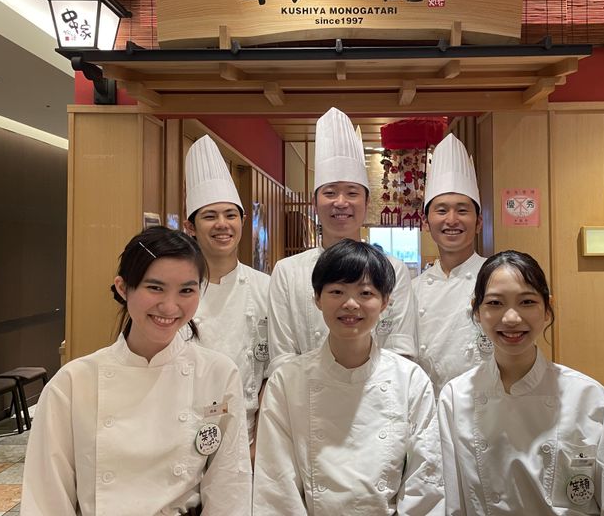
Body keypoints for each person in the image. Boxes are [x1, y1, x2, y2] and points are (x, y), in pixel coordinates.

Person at [21, 227, 252, 516]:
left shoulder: (218, 374)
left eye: (186, 290)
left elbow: (229, 486)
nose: (169, 306)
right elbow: (46, 498)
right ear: (122, 287)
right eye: (155, 288)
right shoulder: (73, 383)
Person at [437, 250, 604, 515]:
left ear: (547, 309)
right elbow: (451, 504)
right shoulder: (455, 397)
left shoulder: (588, 396)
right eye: (495, 303)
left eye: (527, 302)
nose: (511, 318)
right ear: (477, 310)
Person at [254, 239, 444, 514]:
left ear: (385, 302)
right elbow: (276, 487)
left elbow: (425, 482)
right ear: (317, 299)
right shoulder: (287, 381)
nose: (351, 304)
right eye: (337, 291)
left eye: (365, 293)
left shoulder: (410, 380)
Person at [267, 107, 417, 375]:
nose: (340, 202)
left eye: (352, 192)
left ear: (367, 203)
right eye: (330, 192)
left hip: (378, 394)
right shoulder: (287, 271)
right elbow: (282, 357)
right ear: (314, 203)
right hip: (306, 395)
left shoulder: (394, 269)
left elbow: (401, 353)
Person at [184, 134, 271, 456]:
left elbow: (273, 373)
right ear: (190, 227)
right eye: (210, 216)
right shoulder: (177, 290)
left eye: (230, 215)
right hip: (180, 430)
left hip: (246, 436)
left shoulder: (266, 288)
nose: (222, 224)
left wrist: (259, 441)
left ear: (243, 221)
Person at [413, 133, 491, 396]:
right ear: (426, 223)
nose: (452, 219)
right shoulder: (412, 290)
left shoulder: (498, 277)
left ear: (479, 222)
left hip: (485, 404)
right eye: (441, 210)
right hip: (429, 406)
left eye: (463, 210)